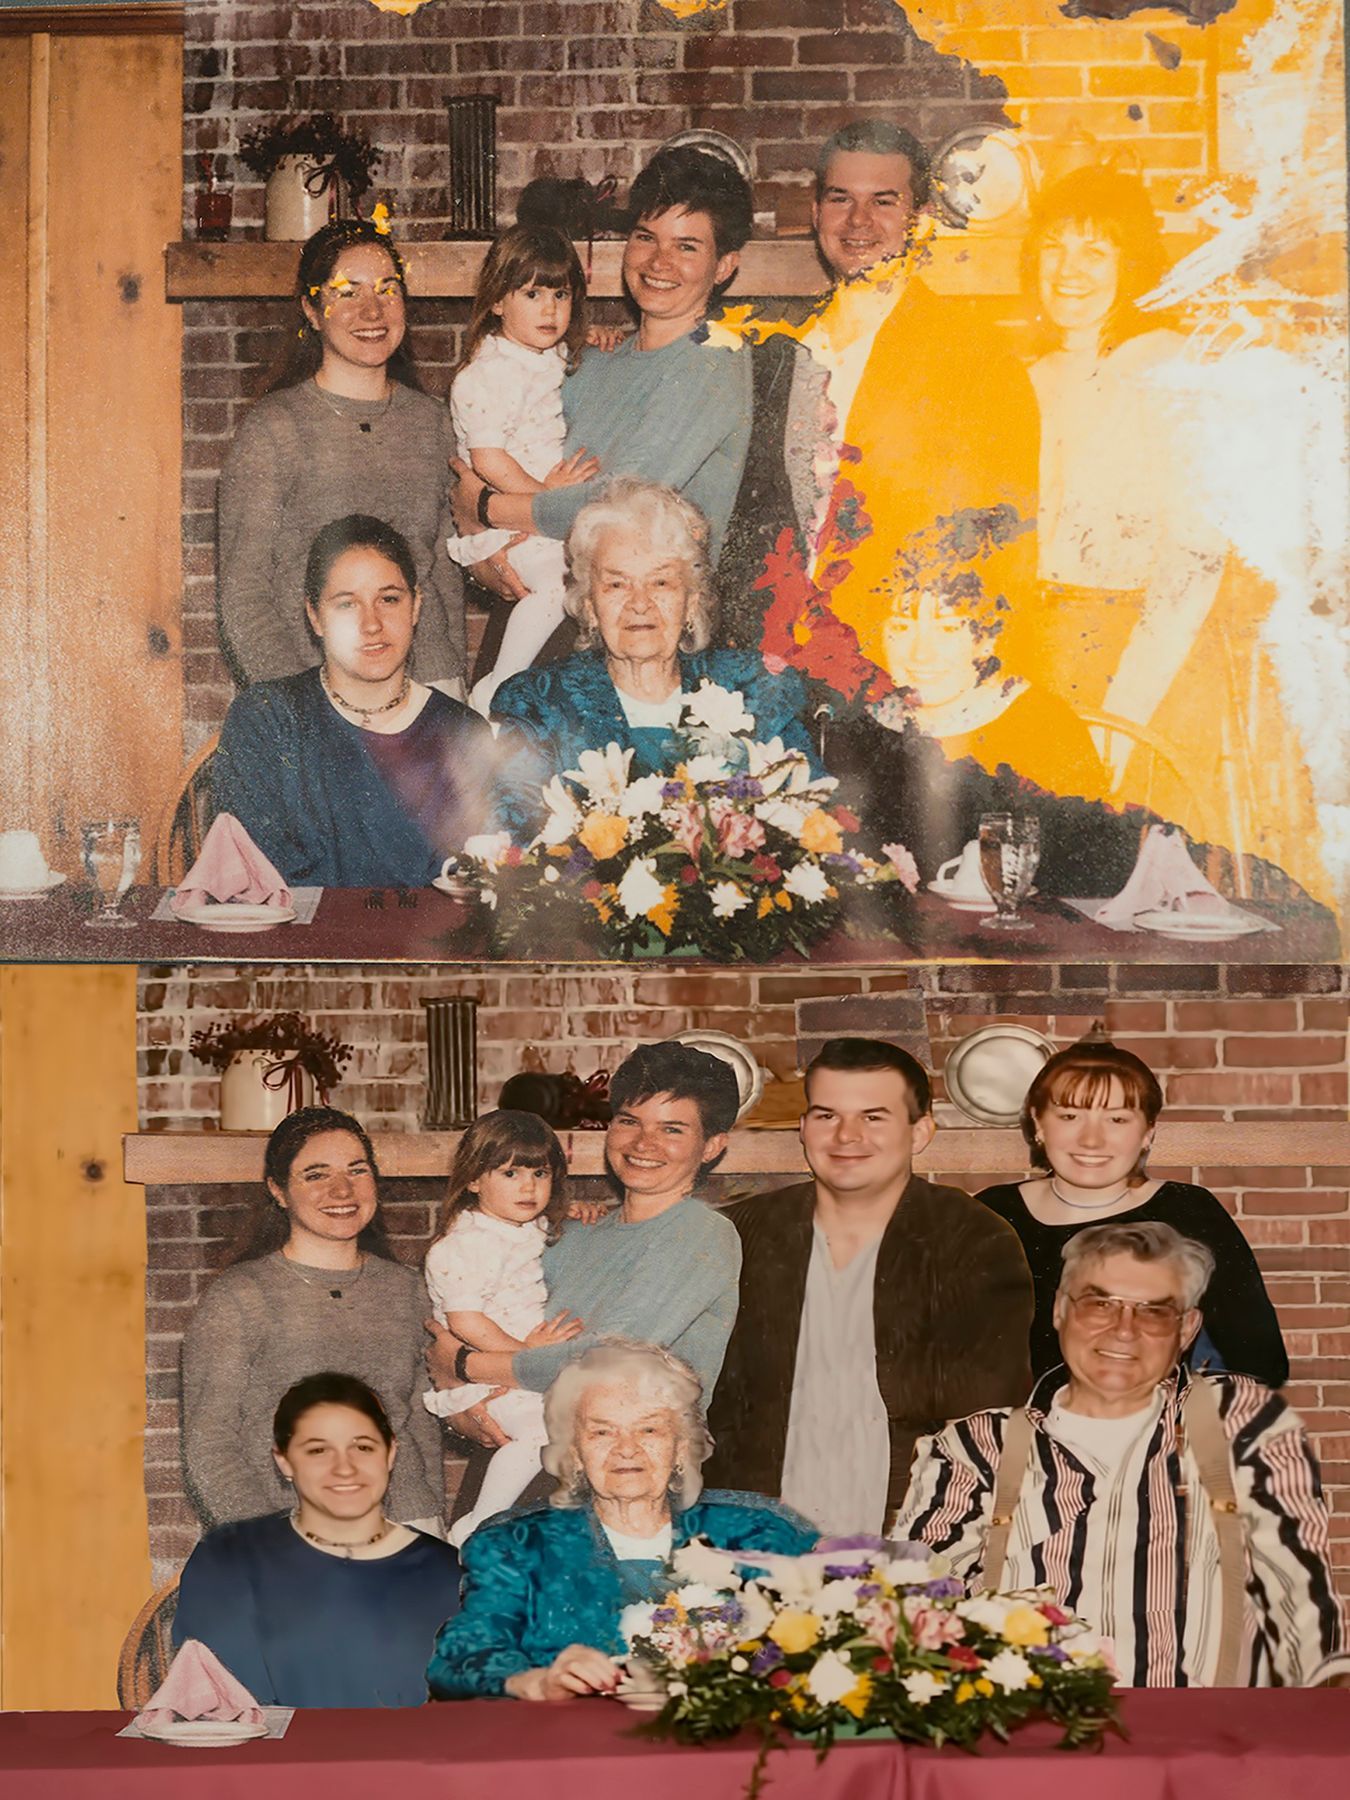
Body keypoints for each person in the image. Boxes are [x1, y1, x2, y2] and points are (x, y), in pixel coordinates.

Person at [1017, 166, 1330, 906]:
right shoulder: (1031, 375)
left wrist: (1124, 715)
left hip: (1153, 667)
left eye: (1096, 252)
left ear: (1132, 263)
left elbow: (1193, 559)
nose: (1070, 272)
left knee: (1155, 893)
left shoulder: (1171, 371)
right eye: (1056, 249)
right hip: (1049, 655)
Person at [895, 1222, 1350, 1688]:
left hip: (1206, 1744)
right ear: (1060, 1311)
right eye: (1099, 1304)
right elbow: (913, 1596)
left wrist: (1330, 1693)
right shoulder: (976, 1446)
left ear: (1188, 1328)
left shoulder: (1237, 1425)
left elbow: (1298, 1589)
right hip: (1030, 1739)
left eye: (1154, 1312)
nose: (1123, 1331)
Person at [704, 1038, 1034, 1537]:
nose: (846, 1136)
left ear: (920, 1132)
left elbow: (983, 1419)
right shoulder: (742, 1232)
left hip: (908, 1533)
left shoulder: (971, 1236)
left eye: (874, 1117)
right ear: (803, 1127)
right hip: (754, 1537)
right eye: (826, 1115)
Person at [450, 146, 755, 612]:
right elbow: (495, 455)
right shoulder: (589, 360)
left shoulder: (711, 362)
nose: (659, 261)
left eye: (686, 246)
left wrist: (486, 508)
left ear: (725, 265)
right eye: (646, 237)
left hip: (645, 631)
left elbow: (616, 505)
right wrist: (481, 551)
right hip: (547, 607)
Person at [425, 1341, 817, 1700]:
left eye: (649, 1428)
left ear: (682, 1445)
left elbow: (824, 1642)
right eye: (601, 1431)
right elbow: (459, 1658)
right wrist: (536, 1681)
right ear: (574, 1452)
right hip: (578, 1759)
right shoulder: (518, 1544)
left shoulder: (759, 1534)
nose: (626, 1449)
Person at [800, 122, 1039, 686]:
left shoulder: (975, 353)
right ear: (815, 213)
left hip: (908, 664)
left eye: (884, 202)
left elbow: (1002, 542)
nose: (859, 222)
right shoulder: (787, 347)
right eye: (841, 199)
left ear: (921, 216)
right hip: (787, 655)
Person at [425, 1042, 742, 1460]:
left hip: (632, 1467)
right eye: (630, 1121)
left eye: (672, 1129)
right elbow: (465, 1317)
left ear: (712, 1146)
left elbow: (606, 1360)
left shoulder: (700, 1234)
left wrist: (464, 1366)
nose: (643, 1143)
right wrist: (458, 1408)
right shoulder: (569, 1233)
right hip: (528, 1451)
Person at [488, 479, 819, 839]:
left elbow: (816, 824)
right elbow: (517, 845)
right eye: (617, 584)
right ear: (589, 606)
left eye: (660, 583)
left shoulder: (756, 690)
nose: (640, 602)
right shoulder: (539, 703)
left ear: (691, 601)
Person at [216, 218, 466, 690]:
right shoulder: (274, 428)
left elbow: (443, 580)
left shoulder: (434, 424)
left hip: (426, 690)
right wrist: (302, 706)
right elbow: (243, 593)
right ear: (312, 311)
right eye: (347, 292)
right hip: (316, 694)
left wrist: (450, 691)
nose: (372, 310)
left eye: (387, 290)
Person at [181, 1108, 446, 1532]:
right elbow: (208, 1443)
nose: (342, 1190)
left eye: (357, 1170)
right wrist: (266, 1542)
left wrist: (433, 1531)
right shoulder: (240, 1296)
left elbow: (421, 1427)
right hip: (287, 1532)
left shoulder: (407, 1289)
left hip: (406, 1527)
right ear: (279, 1190)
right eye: (316, 1175)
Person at [977, 1037, 1288, 1385]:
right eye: (1069, 1115)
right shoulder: (992, 1214)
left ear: (1147, 1133)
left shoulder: (1189, 1212)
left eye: (1117, 1119)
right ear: (1038, 1123)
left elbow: (1259, 1360)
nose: (1091, 1140)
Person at [211, 514, 496, 887]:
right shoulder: (268, 719)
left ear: (415, 607)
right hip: (299, 943)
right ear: (314, 616)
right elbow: (254, 875)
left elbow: (477, 881)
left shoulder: (462, 731)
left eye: (389, 599)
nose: (372, 624)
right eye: (347, 604)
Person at [173, 1373, 461, 1708]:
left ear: (391, 1453)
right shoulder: (228, 1559)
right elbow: (228, 1704)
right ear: (284, 1460)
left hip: (411, 1756)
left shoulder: (449, 1571)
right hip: (274, 1758)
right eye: (318, 1450)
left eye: (363, 1447)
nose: (344, 1468)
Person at [445, 224, 600, 715]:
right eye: (532, 294)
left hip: (536, 514)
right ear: (496, 302)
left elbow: (569, 360)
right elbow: (488, 460)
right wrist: (545, 502)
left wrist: (597, 337)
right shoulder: (487, 374)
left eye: (561, 294)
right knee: (558, 584)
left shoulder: (541, 353)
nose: (550, 309)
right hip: (517, 517)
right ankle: (500, 684)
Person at [423, 1110, 580, 1548]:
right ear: (474, 1179)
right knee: (543, 1432)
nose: (528, 1187)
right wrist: (526, 1358)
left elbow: (558, 1228)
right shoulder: (464, 1245)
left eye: (540, 1172)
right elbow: (466, 1322)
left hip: (521, 1372)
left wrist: (581, 1210)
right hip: (494, 1377)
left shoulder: (527, 1226)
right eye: (510, 1172)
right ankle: (479, 1523)